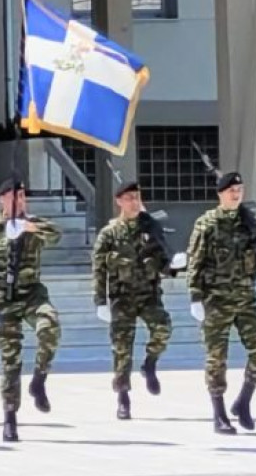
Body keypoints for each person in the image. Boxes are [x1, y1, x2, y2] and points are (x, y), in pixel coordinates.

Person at [185, 171, 256, 435]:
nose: (236, 195)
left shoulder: (248, 223)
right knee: (216, 358)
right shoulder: (207, 224)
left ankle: (244, 400)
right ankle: (219, 413)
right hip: (217, 299)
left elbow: (255, 258)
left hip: (246, 298)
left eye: (240, 190)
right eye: (231, 191)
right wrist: (195, 296)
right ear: (220, 194)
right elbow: (195, 260)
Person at [0, 176, 62, 443]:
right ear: (2, 200)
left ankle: (39, 378)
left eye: (22, 196)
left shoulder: (33, 224)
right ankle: (10, 417)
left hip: (32, 294)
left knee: (50, 328)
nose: (19, 201)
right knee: (10, 360)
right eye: (14, 196)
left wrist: (27, 226)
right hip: (4, 298)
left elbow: (56, 235)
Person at [91, 179, 176, 421]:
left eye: (137, 197)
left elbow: (163, 257)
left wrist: (174, 267)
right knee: (121, 350)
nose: (134, 202)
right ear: (119, 201)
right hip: (122, 298)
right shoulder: (109, 233)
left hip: (149, 294)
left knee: (163, 328)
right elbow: (98, 268)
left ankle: (150, 363)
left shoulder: (151, 227)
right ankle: (123, 397)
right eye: (129, 198)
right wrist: (99, 301)